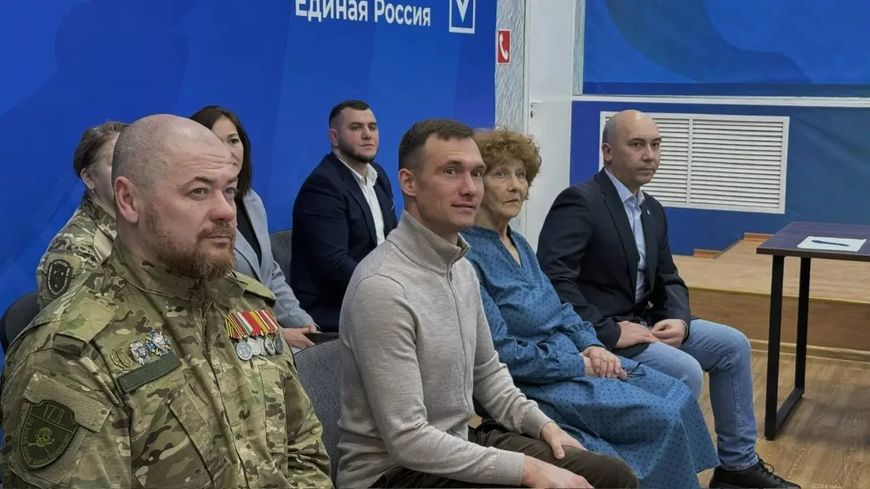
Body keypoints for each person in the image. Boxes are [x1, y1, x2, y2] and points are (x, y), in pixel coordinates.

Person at [0, 114, 331, 488]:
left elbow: (303, 449)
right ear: (129, 200)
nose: (226, 211)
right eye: (198, 191)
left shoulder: (246, 304)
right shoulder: (72, 356)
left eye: (228, 191)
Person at [337, 118, 637, 489]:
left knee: (611, 475)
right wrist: (528, 469)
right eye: (451, 171)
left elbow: (488, 373)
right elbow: (408, 439)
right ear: (409, 183)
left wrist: (544, 426)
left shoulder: (461, 269)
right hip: (393, 474)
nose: (469, 188)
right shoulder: (382, 287)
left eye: (477, 173)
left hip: (457, 443)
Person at [537, 109, 800, 489]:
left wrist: (679, 318)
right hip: (602, 334)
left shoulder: (652, 209)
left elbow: (668, 278)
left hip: (645, 324)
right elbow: (554, 280)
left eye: (656, 145)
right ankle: (669, 478)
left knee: (733, 345)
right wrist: (608, 331)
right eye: (637, 145)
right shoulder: (580, 201)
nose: (650, 155)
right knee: (684, 369)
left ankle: (736, 468)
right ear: (608, 152)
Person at [462, 128, 718, 488]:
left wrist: (593, 344)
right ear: (476, 183)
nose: (515, 186)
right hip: (537, 383)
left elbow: (561, 309)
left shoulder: (518, 243)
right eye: (500, 174)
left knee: (677, 395)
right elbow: (502, 354)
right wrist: (579, 363)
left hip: (574, 361)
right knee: (660, 416)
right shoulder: (468, 258)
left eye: (521, 175)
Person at [190, 105, 319, 349]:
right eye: (216, 141)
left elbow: (271, 274)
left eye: (233, 140)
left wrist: (303, 322)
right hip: (227, 344)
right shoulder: (194, 212)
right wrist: (278, 333)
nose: (228, 151)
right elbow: (208, 302)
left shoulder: (252, 200)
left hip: (269, 335)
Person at [291, 99, 398, 331]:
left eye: (372, 127)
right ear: (334, 137)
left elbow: (391, 241)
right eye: (356, 127)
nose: (367, 135)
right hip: (335, 310)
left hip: (379, 298)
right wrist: (386, 291)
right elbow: (334, 265)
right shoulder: (323, 186)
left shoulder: (378, 176)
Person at [35, 121, 126, 308]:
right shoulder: (74, 252)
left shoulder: (148, 225)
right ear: (89, 178)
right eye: (117, 162)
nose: (130, 171)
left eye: (134, 160)